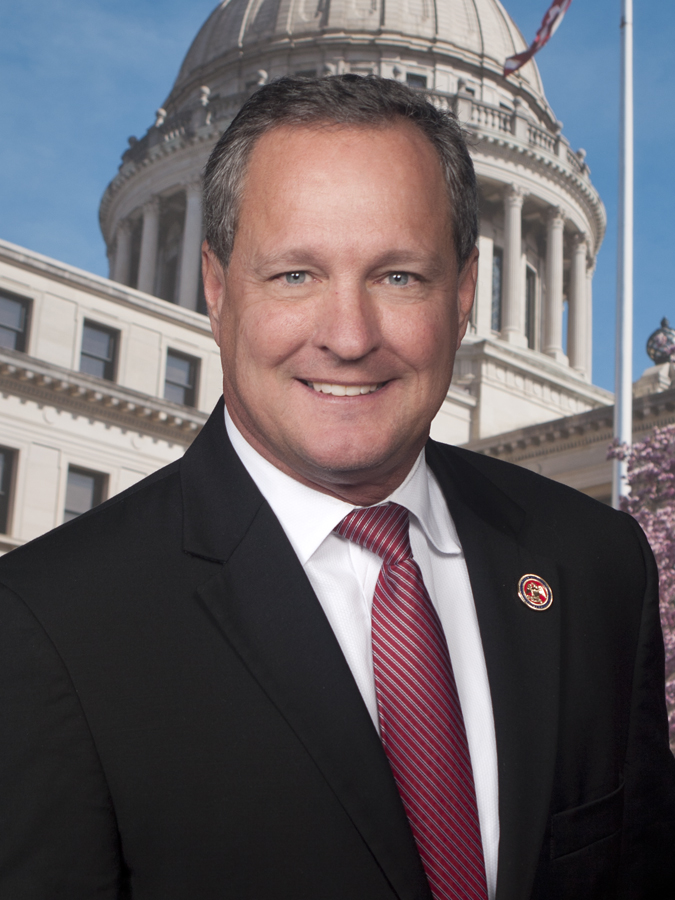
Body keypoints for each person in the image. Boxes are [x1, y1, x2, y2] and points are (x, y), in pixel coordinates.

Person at [1, 75, 673, 900]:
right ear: (215, 288)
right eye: (294, 275)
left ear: (465, 291)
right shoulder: (45, 625)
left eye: (399, 277)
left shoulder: (593, 564)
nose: (349, 338)